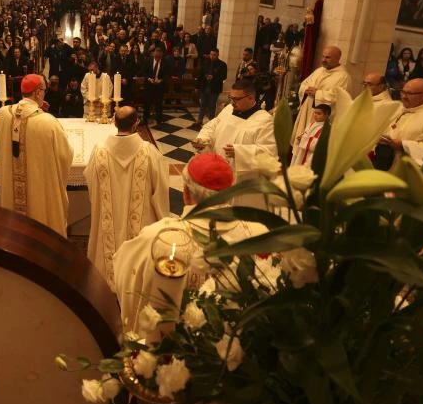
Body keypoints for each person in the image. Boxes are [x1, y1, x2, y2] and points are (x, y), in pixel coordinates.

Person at [111, 153, 266, 328]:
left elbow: (125, 276)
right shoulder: (259, 235)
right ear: (230, 194)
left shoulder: (159, 238)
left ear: (185, 192)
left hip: (178, 349)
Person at [84, 107, 168, 287]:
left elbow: (92, 188)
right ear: (136, 124)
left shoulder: (99, 152)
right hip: (142, 229)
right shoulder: (150, 153)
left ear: (114, 123)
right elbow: (160, 192)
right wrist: (163, 223)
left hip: (107, 228)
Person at [0, 74, 73, 237]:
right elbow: (65, 155)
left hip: (11, 189)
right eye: (44, 90)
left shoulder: (3, 113)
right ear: (37, 92)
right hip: (37, 191)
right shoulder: (47, 122)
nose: (45, 94)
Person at [195, 79, 278, 205]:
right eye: (230, 97)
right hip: (219, 170)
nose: (232, 102)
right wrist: (203, 140)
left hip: (241, 180)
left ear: (250, 98)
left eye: (236, 99)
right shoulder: (228, 109)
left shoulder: (264, 121)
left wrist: (239, 152)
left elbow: (269, 152)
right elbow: (212, 125)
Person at [374, 78, 423, 169]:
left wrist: (403, 144)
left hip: (409, 169)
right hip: (385, 160)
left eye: (410, 94)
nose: (403, 96)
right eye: (402, 92)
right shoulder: (402, 108)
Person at [292, 46, 351, 145]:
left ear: (338, 58)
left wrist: (317, 93)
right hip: (308, 110)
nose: (324, 60)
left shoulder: (343, 76)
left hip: (323, 118)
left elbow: (339, 98)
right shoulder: (319, 70)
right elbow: (304, 84)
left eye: (328, 57)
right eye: (323, 56)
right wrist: (307, 89)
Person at [197, 48, 228, 124]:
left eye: (214, 55)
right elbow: (200, 75)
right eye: (211, 54)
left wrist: (213, 77)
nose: (212, 56)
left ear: (217, 54)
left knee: (212, 104)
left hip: (215, 88)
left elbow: (224, 76)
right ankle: (199, 120)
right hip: (204, 86)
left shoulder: (222, 64)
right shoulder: (205, 62)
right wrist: (197, 86)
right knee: (203, 104)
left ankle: (211, 121)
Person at [140, 45, 169, 124]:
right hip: (149, 85)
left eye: (159, 57)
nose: (157, 58)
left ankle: (159, 121)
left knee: (159, 105)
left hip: (159, 87)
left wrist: (161, 80)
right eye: (156, 56)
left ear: (161, 55)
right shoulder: (148, 60)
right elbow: (143, 72)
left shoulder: (165, 62)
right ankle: (145, 119)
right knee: (147, 104)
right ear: (153, 54)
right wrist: (149, 79)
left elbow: (167, 75)